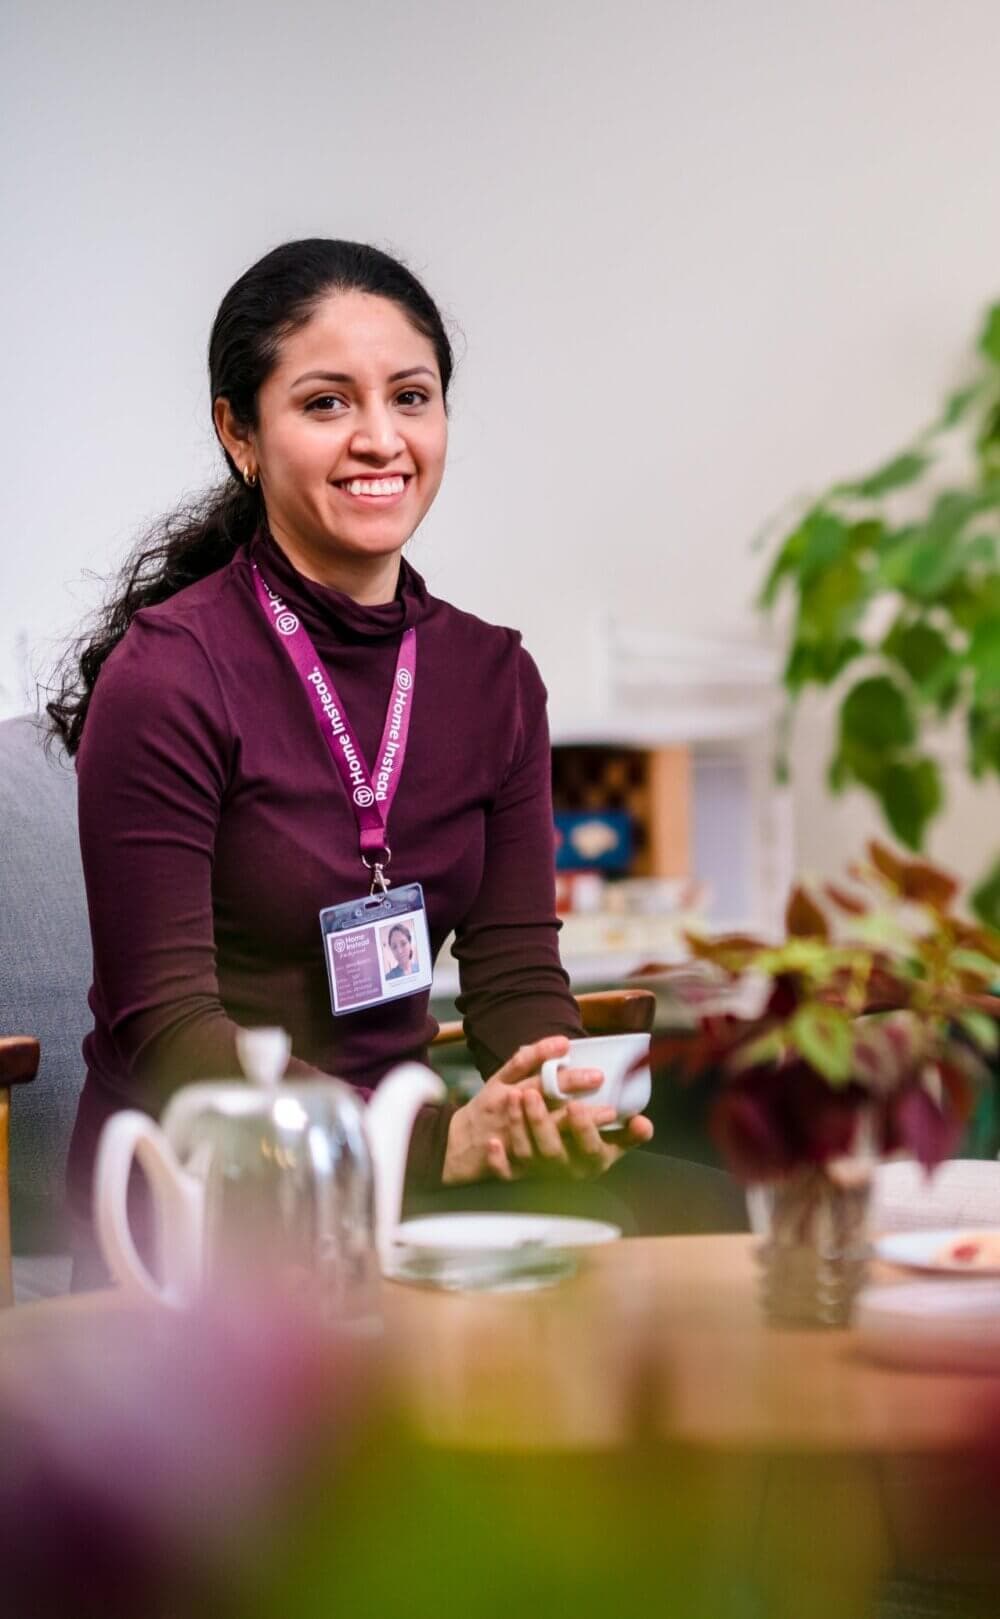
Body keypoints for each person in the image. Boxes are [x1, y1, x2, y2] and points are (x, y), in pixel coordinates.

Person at [54, 237, 734, 1286]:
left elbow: (514, 975)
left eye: (410, 397)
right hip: (218, 1189)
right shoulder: (171, 676)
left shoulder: (492, 676)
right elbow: (166, 1027)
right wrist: (436, 1139)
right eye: (326, 403)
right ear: (240, 433)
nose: (381, 439)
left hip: (423, 1173)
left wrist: (548, 1098)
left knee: (705, 1219)